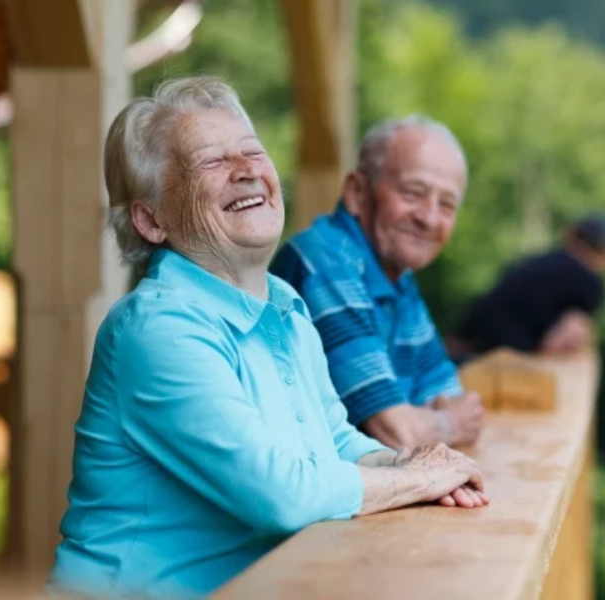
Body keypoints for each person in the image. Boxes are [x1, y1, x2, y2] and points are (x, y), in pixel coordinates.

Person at [48, 77, 489, 599]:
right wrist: (416, 482)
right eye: (211, 162)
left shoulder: (284, 303)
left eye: (253, 152)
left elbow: (336, 440)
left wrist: (418, 465)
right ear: (152, 219)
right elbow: (282, 494)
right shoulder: (157, 329)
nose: (247, 170)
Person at [270, 117, 483, 451]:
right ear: (357, 192)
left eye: (446, 204)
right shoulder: (326, 262)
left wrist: (423, 420)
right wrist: (448, 424)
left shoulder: (397, 275)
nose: (428, 218)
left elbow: (448, 391)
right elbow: (396, 433)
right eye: (413, 193)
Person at [450, 214, 605, 358]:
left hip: (462, 346)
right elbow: (562, 340)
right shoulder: (590, 282)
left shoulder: (532, 261)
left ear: (570, 236)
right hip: (506, 360)